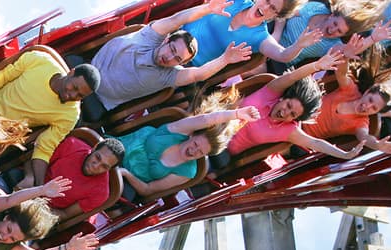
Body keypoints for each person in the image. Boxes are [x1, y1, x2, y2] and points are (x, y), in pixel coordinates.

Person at [83, 0, 254, 122]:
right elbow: (176, 20)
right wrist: (207, 9)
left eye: (177, 59)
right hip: (86, 71)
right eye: (172, 50)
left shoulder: (169, 76)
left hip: (98, 100)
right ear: (166, 41)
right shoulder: (151, 36)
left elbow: (198, 75)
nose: (169, 58)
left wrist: (225, 59)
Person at [0, 50, 101, 186]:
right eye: (74, 87)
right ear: (71, 73)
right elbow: (4, 76)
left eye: (80, 96)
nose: (72, 95)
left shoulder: (70, 115)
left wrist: (40, 186)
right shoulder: (41, 60)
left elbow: (45, 147)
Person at [214, 49, 359, 169]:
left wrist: (344, 154)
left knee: (218, 159)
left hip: (221, 148)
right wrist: (317, 66)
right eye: (288, 106)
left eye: (292, 114)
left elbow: (315, 143)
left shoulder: (288, 130)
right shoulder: (272, 91)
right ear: (284, 98)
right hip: (214, 121)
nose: (285, 112)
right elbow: (292, 77)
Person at [115, 106, 261, 199]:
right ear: (192, 135)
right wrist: (236, 114)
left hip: (124, 177)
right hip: (115, 150)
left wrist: (125, 174)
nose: (194, 150)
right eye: (196, 144)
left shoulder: (187, 172)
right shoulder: (179, 130)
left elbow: (148, 190)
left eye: (200, 152)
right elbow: (206, 119)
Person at [301, 58, 391, 152]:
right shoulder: (351, 90)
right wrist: (347, 56)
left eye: (374, 108)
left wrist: (376, 144)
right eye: (370, 100)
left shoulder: (360, 123)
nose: (367, 106)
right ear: (367, 92)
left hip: (303, 135)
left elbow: (364, 137)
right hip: (300, 108)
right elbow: (341, 74)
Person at [17, 136, 125, 219]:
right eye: (97, 157)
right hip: (30, 183)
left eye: (104, 166)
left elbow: (65, 214)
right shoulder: (72, 145)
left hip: (43, 211)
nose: (96, 166)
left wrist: (37, 208)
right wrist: (30, 177)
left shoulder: (101, 192)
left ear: (109, 169)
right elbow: (33, 157)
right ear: (94, 148)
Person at [273, 1, 391, 66]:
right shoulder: (317, 8)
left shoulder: (331, 45)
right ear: (331, 15)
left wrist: (372, 38)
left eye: (339, 31)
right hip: (271, 35)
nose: (333, 30)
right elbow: (285, 13)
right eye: (335, 24)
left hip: (279, 61)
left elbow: (350, 50)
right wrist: (276, 35)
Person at [182, 0, 306, 66]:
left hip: (188, 64)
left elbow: (283, 55)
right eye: (267, 0)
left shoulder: (260, 37)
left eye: (273, 8)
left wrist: (299, 45)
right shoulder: (238, 1)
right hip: (174, 34)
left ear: (277, 15)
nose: (266, 7)